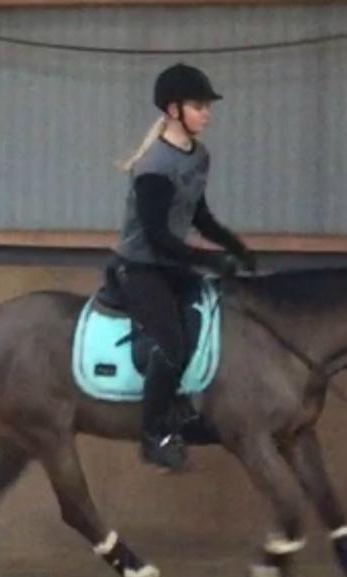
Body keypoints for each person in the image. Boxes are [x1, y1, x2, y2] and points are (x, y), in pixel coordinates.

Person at [107, 62, 256, 472]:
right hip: (140, 269)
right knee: (171, 343)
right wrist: (208, 259)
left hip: (171, 264)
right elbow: (156, 236)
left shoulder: (199, 156)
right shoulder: (154, 165)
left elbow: (199, 216)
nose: (207, 113)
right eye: (198, 105)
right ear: (174, 111)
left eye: (207, 106)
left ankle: (187, 407)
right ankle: (153, 434)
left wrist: (235, 247)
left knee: (214, 320)